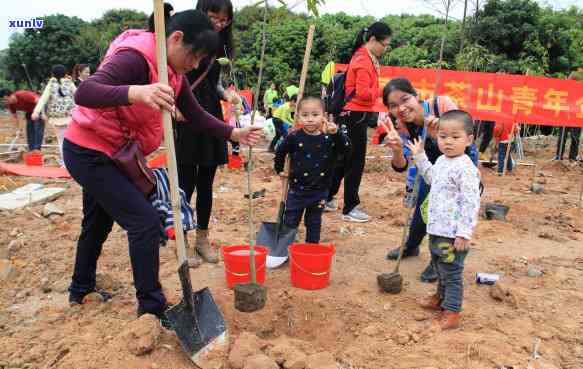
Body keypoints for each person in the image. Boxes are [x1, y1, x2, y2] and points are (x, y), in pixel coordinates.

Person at [62, 10, 262, 320]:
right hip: (88, 151)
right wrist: (136, 92)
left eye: (200, 61)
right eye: (194, 56)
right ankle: (152, 309)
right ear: (176, 38)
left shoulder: (173, 72)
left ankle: (80, 289)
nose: (194, 65)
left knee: (98, 222)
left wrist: (233, 132)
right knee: (143, 221)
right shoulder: (135, 58)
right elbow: (86, 93)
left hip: (117, 152)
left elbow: (194, 114)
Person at [382, 77, 479, 283]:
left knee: (449, 214)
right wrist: (398, 150)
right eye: (393, 105)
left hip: (458, 168)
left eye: (405, 99)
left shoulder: (441, 105)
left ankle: (441, 262)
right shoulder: (402, 127)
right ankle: (411, 245)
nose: (401, 108)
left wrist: (438, 134)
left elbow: (465, 137)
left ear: (416, 95)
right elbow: (401, 166)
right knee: (424, 208)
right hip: (431, 169)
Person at [175, 0, 241, 266]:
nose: (218, 23)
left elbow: (212, 83)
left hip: (211, 114)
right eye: (214, 16)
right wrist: (173, 107)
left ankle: (202, 239)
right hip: (185, 114)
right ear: (201, 12)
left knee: (206, 184)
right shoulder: (185, 41)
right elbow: (173, 77)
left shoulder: (220, 48)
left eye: (224, 20)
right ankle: (183, 239)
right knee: (185, 184)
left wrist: (227, 94)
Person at [405, 110, 480, 330]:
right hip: (437, 228)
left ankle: (452, 312)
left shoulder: (466, 168)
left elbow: (471, 202)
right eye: (443, 136)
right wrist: (419, 155)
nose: (448, 142)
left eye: (455, 137)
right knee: (440, 267)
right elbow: (430, 177)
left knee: (452, 272)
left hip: (453, 233)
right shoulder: (442, 161)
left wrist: (464, 232)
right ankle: (440, 298)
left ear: (469, 139)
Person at [326, 21, 392, 222]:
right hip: (355, 115)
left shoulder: (364, 57)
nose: (385, 48)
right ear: (373, 40)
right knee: (355, 161)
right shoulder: (364, 60)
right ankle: (350, 208)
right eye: (385, 44)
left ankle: (327, 197)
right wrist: (382, 91)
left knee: (342, 159)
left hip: (350, 115)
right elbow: (363, 93)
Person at [274, 96, 350, 244]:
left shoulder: (329, 138)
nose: (310, 119)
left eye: (315, 115)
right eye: (305, 115)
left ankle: (311, 249)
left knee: (314, 223)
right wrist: (279, 169)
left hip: (319, 191)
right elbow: (280, 151)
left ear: (324, 116)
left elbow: (346, 148)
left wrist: (337, 134)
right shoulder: (294, 137)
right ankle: (284, 246)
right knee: (290, 219)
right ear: (297, 117)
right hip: (296, 190)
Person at [32, 65, 77, 166]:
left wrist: (36, 112)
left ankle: (65, 164)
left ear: (52, 74)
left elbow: (43, 99)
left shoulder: (50, 85)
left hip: (56, 119)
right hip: (70, 117)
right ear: (65, 74)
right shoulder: (69, 83)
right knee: (72, 140)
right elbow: (79, 95)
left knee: (61, 141)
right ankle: (73, 163)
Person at [554, 66, 582, 162]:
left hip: (576, 116)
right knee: (563, 137)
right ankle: (559, 155)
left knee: (575, 138)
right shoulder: (565, 89)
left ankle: (572, 157)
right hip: (566, 115)